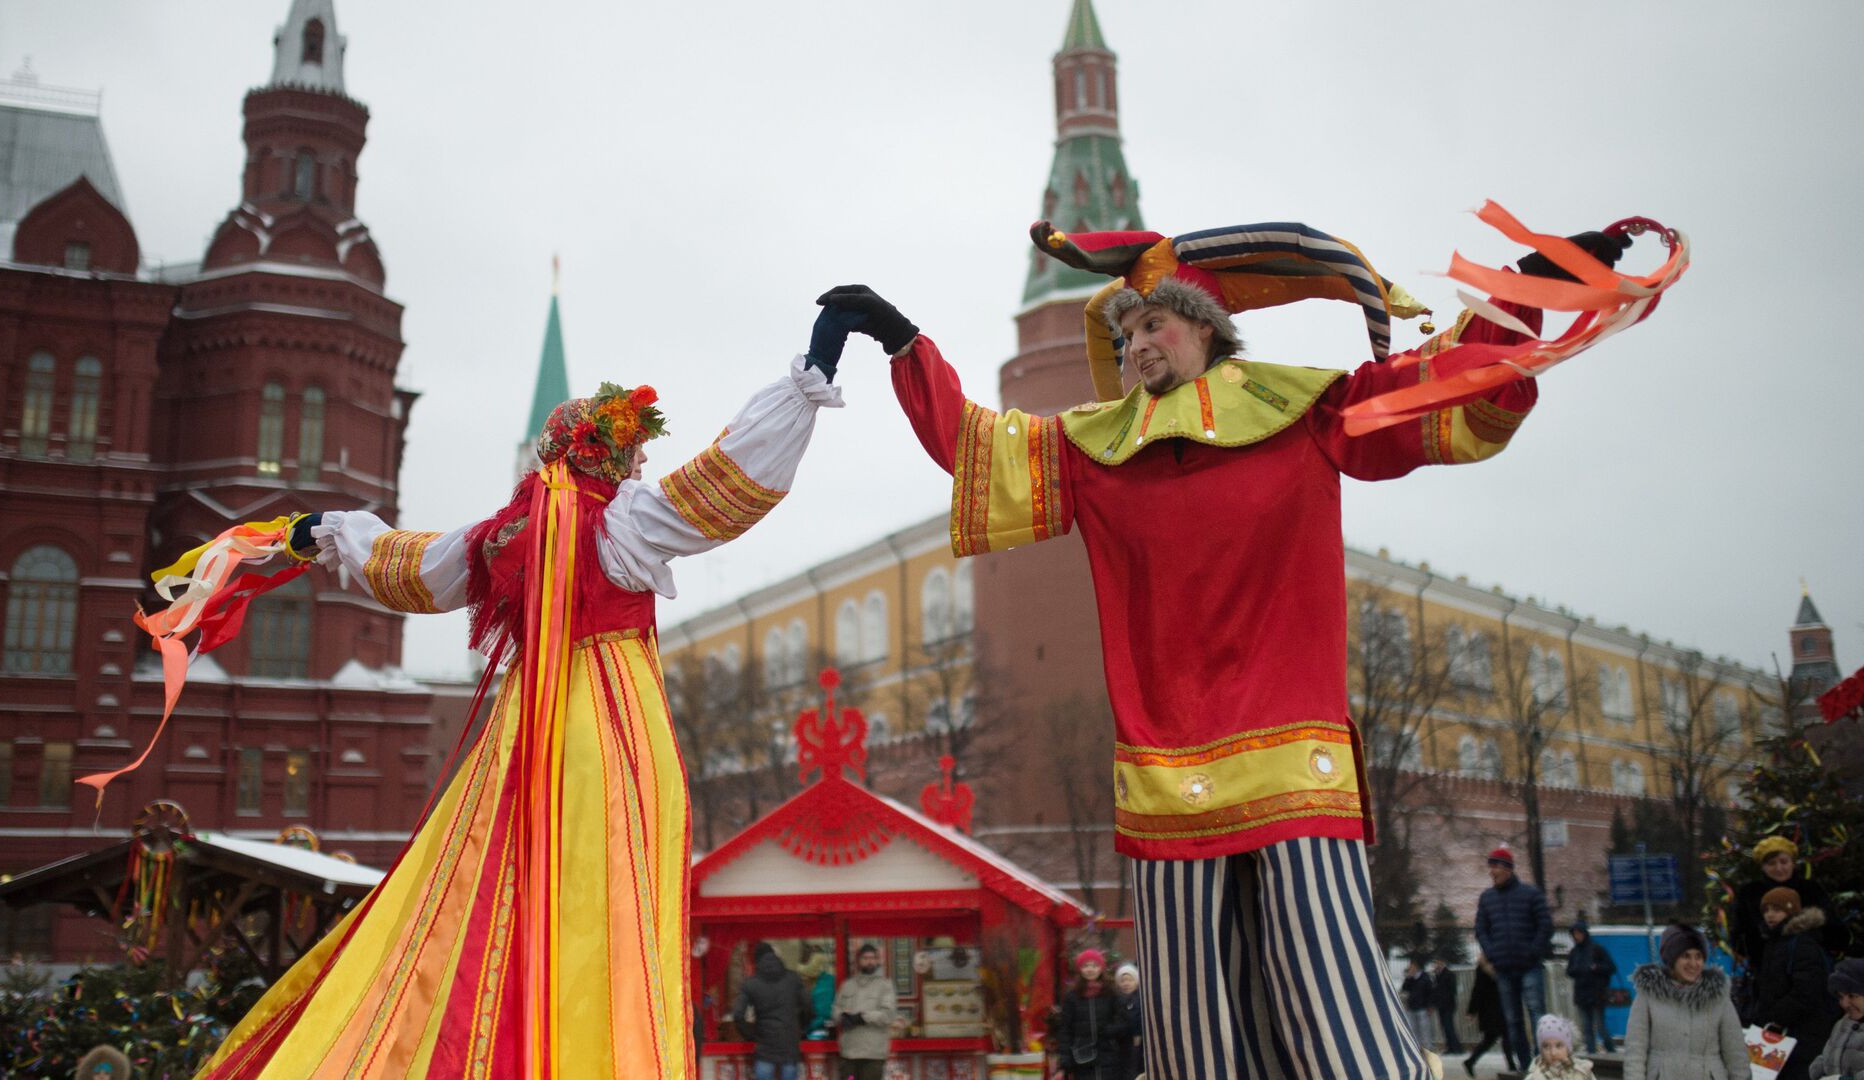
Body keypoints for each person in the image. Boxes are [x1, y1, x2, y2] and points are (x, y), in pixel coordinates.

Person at [824, 208, 1656, 1080]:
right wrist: (903, 341)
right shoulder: (1097, 452)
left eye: (1155, 322)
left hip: (1294, 762)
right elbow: (975, 447)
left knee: (1329, 990)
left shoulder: (1308, 410)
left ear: (1208, 331)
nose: (1138, 342)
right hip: (1164, 777)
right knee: (1190, 1025)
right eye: (1128, 328)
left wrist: (1531, 288)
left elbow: (1437, 385)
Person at [192, 311, 852, 1078]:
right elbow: (725, 484)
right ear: (607, 454)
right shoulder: (625, 521)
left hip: (526, 724)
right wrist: (813, 373)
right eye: (632, 452)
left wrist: (320, 532)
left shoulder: (504, 534)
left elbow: (409, 567)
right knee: (608, 903)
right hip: (610, 728)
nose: (638, 466)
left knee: (486, 886)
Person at [1622, 923, 1749, 1080]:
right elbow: (1635, 1050)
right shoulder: (1649, 995)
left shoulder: (1718, 997)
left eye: (1698, 957)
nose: (1693, 964)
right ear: (1672, 959)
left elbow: (1735, 1052)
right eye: (1686, 956)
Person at [1476, 846, 1555, 1066]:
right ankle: (1525, 1065)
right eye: (1490, 867)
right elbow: (1481, 929)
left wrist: (1533, 952)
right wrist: (1492, 953)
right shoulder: (1487, 898)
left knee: (1537, 1014)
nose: (1491, 872)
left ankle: (1544, 1063)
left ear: (1508, 868)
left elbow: (1545, 925)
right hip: (1504, 969)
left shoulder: (1531, 894)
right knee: (1513, 1021)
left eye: (1495, 867)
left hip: (1529, 966)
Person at [1753, 887, 1837, 1080]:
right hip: (1782, 1037)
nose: (1770, 915)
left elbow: (1807, 990)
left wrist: (1774, 1018)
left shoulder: (1801, 944)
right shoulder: (1776, 942)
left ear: (1792, 911)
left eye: (1776, 909)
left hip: (1800, 1037)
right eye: (1766, 910)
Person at [1733, 837, 1848, 977]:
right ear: (1763, 867)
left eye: (1784, 862)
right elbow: (1739, 934)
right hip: (1766, 970)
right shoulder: (1750, 893)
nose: (1779, 868)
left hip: (1809, 968)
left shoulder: (1811, 889)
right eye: (1771, 863)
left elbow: (1836, 932)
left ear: (1793, 863)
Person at [734, 942, 813, 1080]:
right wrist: (801, 1028)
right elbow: (808, 1006)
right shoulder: (793, 978)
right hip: (790, 1046)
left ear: (756, 960)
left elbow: (738, 1015)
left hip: (764, 1048)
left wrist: (750, 1035)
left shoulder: (751, 983)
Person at [1051, 950, 1133, 1080]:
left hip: (1109, 1056)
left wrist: (1109, 1031)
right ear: (1080, 969)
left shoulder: (1111, 993)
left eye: (1094, 965)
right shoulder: (1072, 996)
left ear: (1101, 968)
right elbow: (1065, 1030)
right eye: (1086, 966)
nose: (1090, 970)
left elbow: (1125, 1022)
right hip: (1081, 1058)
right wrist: (1064, 1059)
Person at [833, 943, 898, 1080]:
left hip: (872, 1054)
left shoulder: (885, 985)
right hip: (849, 1053)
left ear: (877, 960)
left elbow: (888, 1015)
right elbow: (835, 1009)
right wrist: (842, 1017)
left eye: (873, 958)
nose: (869, 961)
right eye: (865, 958)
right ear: (858, 961)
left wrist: (863, 1017)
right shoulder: (847, 985)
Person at [1566, 920, 1619, 1053]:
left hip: (1597, 994)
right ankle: (1592, 1055)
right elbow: (1569, 971)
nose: (1576, 936)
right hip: (1582, 994)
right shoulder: (1574, 952)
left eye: (1578, 933)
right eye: (1574, 934)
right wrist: (1577, 970)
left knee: (1600, 1027)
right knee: (1587, 1028)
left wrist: (1596, 968)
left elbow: (1611, 967)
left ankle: (1611, 1051)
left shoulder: (1596, 949)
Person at [1807, 957, 1864, 1079]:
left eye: (1852, 996)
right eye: (1840, 997)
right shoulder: (1843, 1023)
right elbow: (1825, 1058)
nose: (1844, 1004)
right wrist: (1819, 1072)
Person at [1465, 955, 1518, 1078]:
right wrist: (1471, 1010)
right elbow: (1477, 990)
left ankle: (1471, 1061)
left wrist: (1472, 1010)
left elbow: (1477, 989)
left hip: (1494, 1008)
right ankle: (1511, 1065)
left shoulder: (1490, 965)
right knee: (1503, 1036)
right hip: (1493, 1008)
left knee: (1491, 1039)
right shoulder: (1488, 967)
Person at [1525, 1014, 1595, 1080]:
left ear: (1568, 1048)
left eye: (1559, 1046)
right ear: (1541, 1050)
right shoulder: (1535, 1077)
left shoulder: (1583, 1071)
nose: (1553, 1053)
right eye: (1546, 1047)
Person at [1114, 963, 1144, 1080]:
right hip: (1121, 1043)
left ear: (1136, 982)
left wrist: (1138, 1034)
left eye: (1129, 980)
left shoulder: (1141, 999)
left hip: (1139, 1043)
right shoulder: (1116, 1000)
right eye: (1123, 980)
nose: (1126, 984)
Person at [1401, 958, 1436, 1049]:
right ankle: (1417, 1046)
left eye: (1412, 967)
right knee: (1413, 1028)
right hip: (1412, 1007)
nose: (1410, 969)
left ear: (1416, 968)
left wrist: (1430, 1006)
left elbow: (1430, 993)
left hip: (1422, 1007)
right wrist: (1408, 978)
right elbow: (1404, 989)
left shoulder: (1425, 978)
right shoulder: (1410, 979)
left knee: (1424, 1029)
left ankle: (1428, 1047)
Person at [1431, 958, 1464, 1054]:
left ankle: (1455, 1047)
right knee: (1445, 1027)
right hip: (1441, 1005)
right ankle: (1451, 1047)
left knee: (1449, 1026)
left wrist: (1444, 1000)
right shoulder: (1437, 975)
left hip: (1448, 1005)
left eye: (1437, 963)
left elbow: (1451, 990)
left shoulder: (1449, 974)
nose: (1436, 965)